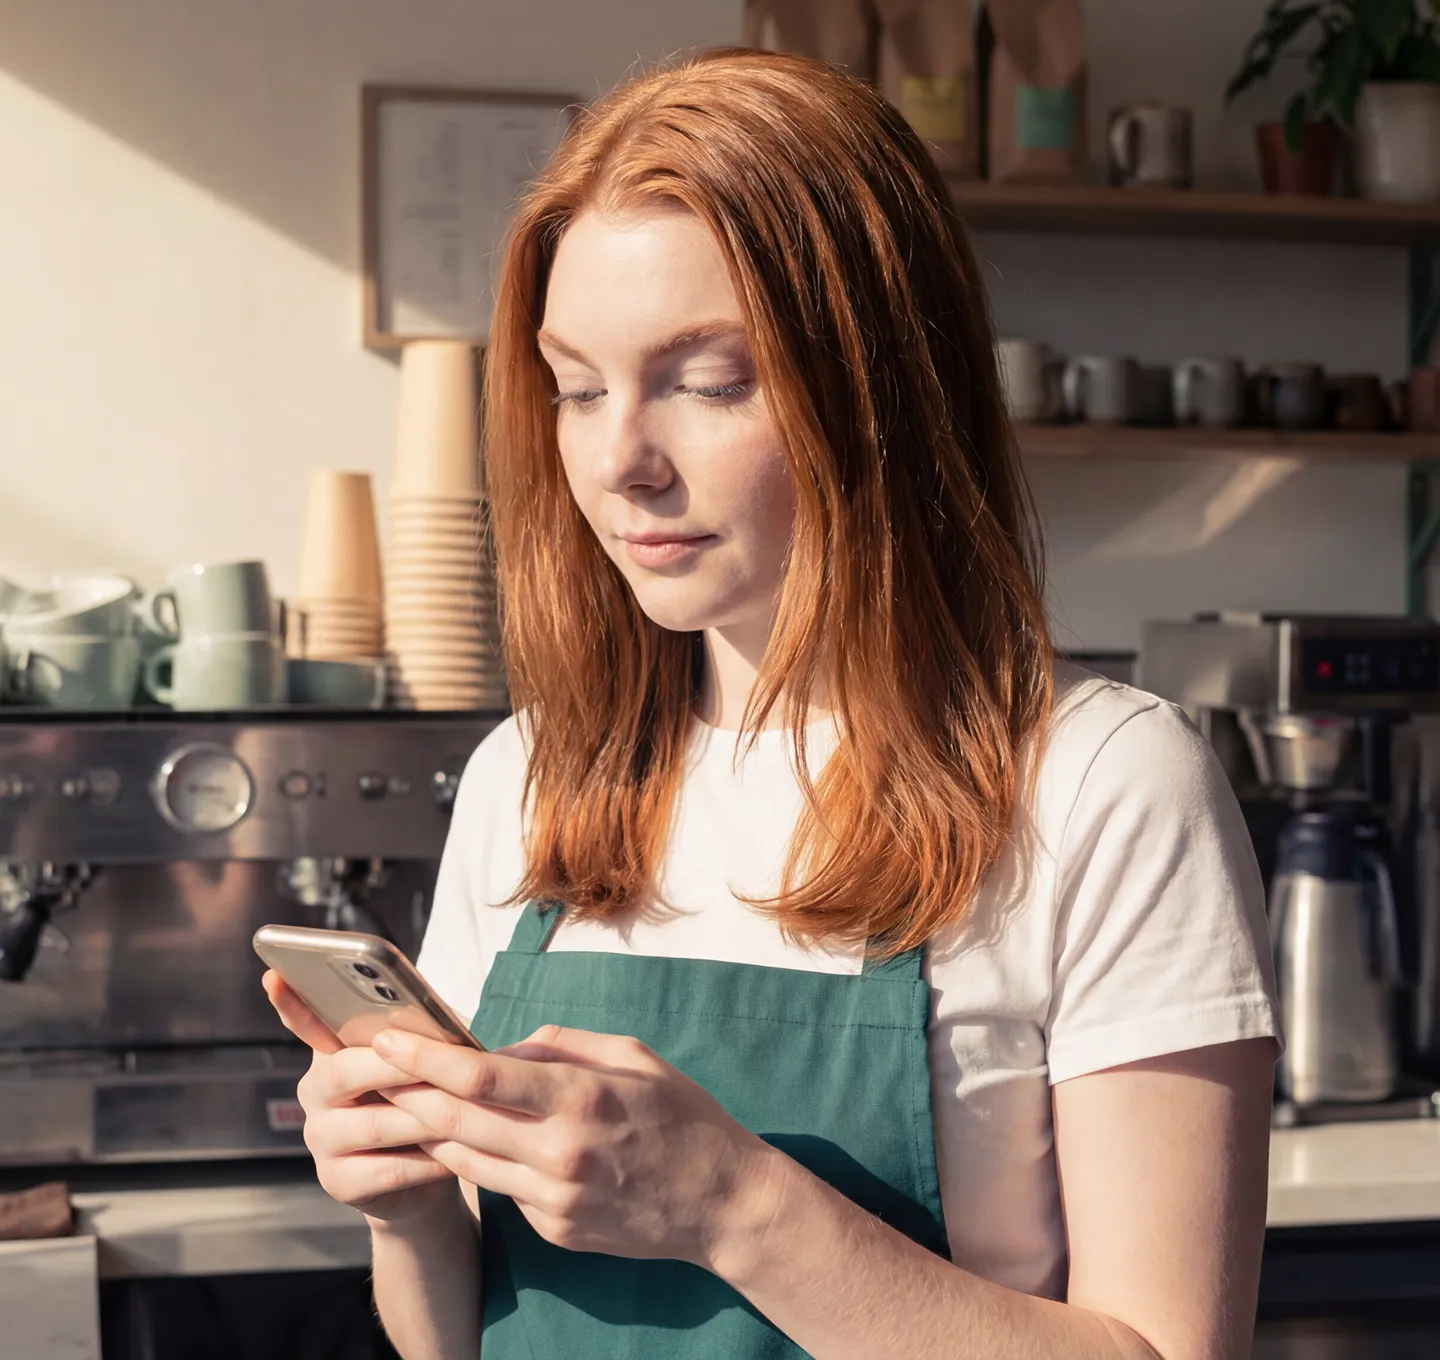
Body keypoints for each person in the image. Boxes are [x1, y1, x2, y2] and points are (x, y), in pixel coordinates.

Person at [265, 48, 1281, 1360]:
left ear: (878, 391)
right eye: (577, 388)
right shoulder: (531, 776)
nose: (621, 459)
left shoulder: (1103, 783)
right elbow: (454, 1341)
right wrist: (406, 1211)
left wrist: (732, 1205)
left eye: (707, 380)